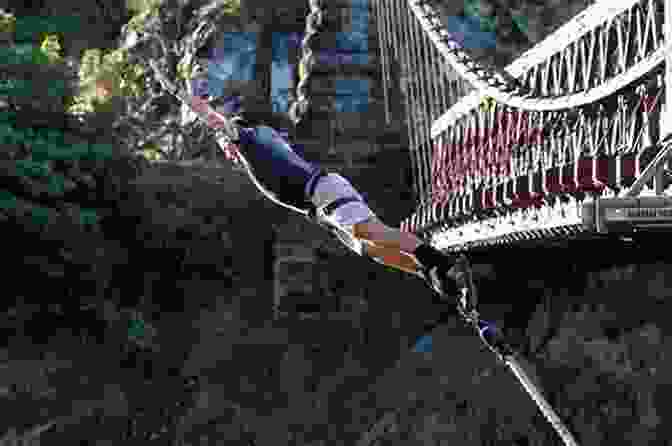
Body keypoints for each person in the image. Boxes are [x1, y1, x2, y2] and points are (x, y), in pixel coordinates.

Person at [215, 97, 478, 310]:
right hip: (322, 209)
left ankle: (443, 263)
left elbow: (218, 121)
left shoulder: (252, 139)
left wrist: (193, 99)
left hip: (322, 190)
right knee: (371, 250)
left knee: (367, 232)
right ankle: (431, 275)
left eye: (226, 144)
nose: (226, 151)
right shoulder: (257, 151)